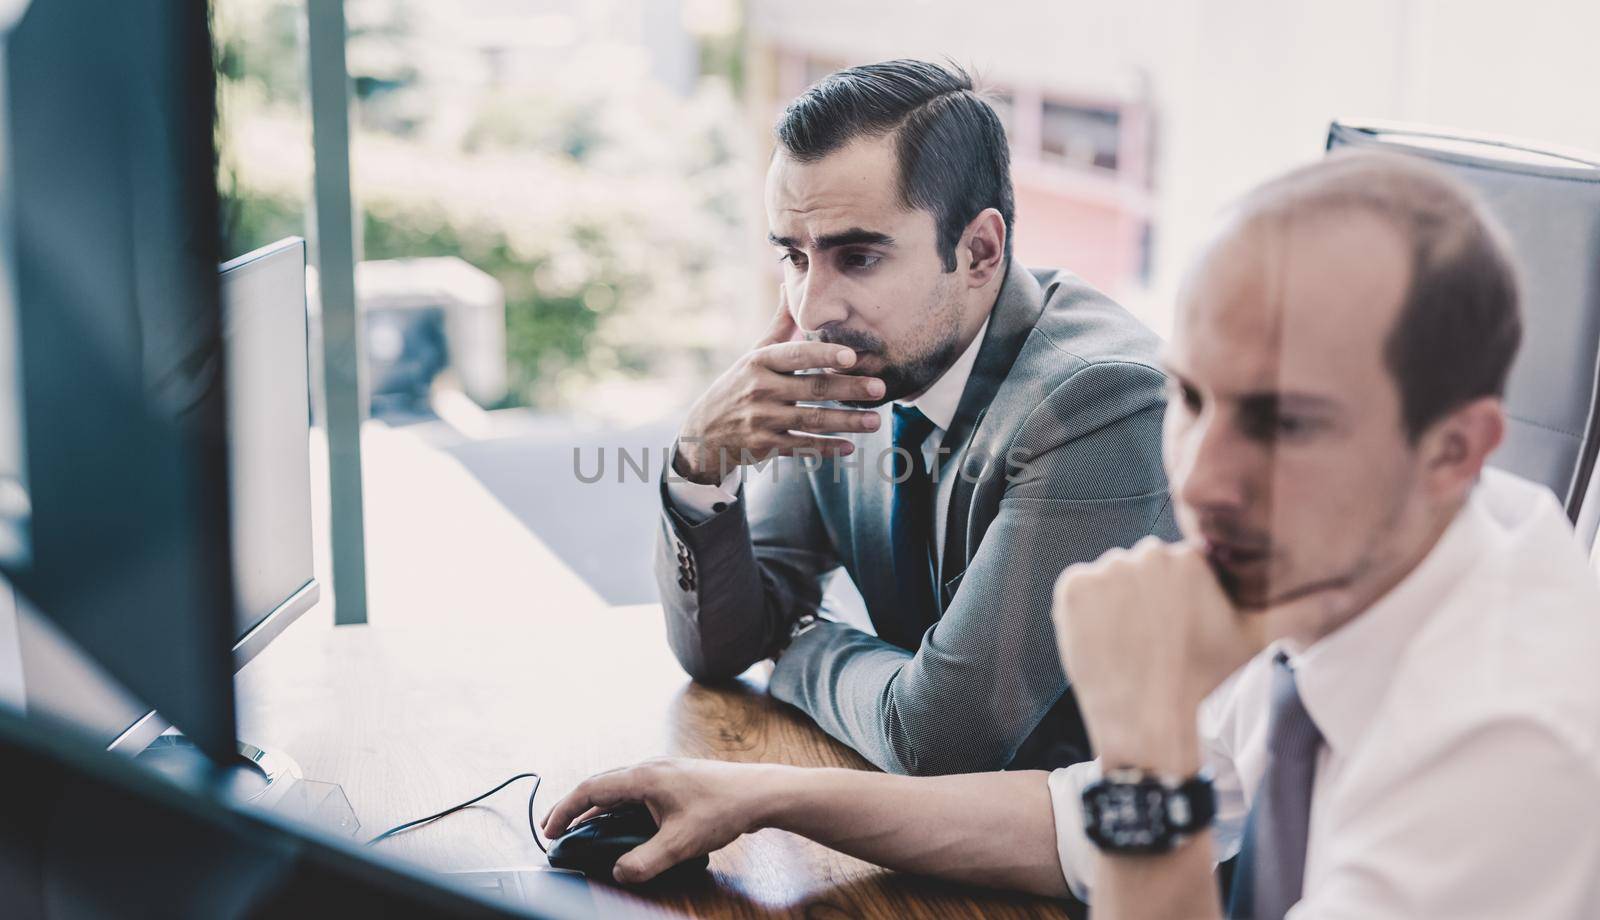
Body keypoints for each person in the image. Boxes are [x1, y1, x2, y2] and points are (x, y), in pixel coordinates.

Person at [551, 151, 1600, 918]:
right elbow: (1071, 825)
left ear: (1457, 451)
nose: (1207, 477)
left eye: (1287, 422)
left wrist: (1146, 735)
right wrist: (759, 795)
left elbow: (1119, 801)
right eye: (1194, 397)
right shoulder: (1353, 572)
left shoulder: (1510, 739)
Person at [656, 59, 1175, 776]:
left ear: (979, 252)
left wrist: (802, 643)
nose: (813, 309)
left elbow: (936, 739)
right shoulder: (854, 365)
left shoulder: (1102, 403)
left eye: (859, 257)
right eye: (794, 257)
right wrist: (699, 464)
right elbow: (722, 647)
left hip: (1101, 870)